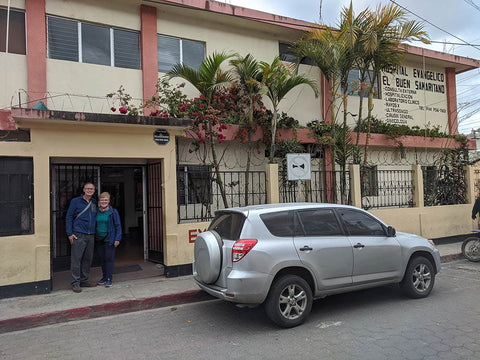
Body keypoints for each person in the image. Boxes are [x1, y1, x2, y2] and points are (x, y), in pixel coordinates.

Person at [66, 182, 98, 293]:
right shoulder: (75, 201)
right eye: (87, 188)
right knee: (76, 259)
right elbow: (69, 217)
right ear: (84, 190)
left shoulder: (94, 202)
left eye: (92, 189)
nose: (89, 190)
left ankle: (84, 280)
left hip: (91, 234)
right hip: (78, 234)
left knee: (88, 259)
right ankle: (75, 282)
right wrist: (69, 233)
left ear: (94, 191)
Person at [95, 192, 122, 287]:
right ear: (99, 201)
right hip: (99, 239)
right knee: (102, 260)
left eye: (106, 200)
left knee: (109, 259)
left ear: (109, 201)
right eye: (102, 200)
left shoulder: (113, 212)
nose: (104, 201)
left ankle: (109, 278)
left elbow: (118, 226)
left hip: (109, 239)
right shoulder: (96, 211)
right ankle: (104, 277)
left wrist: (117, 238)